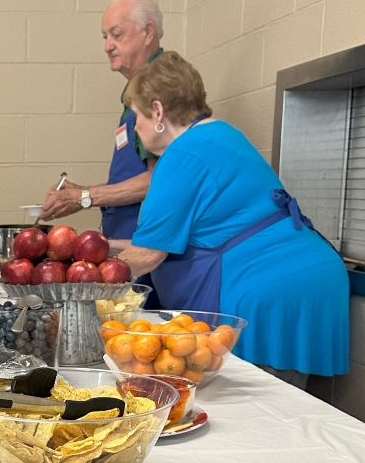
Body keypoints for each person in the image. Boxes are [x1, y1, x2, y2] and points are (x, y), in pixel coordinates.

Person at [112, 52, 349, 385]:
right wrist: (104, 249)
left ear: (158, 111)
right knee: (290, 413)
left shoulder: (181, 154)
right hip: (308, 276)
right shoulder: (221, 135)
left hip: (267, 291)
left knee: (259, 414)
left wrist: (79, 281)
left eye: (136, 116)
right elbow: (169, 239)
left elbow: (148, 255)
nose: (135, 128)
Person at [39, 0, 163, 238]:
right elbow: (136, 176)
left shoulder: (160, 86)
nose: (107, 46)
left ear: (148, 32)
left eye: (116, 35)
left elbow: (160, 179)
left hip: (147, 245)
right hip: (127, 242)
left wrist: (84, 197)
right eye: (106, 37)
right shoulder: (137, 90)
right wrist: (82, 192)